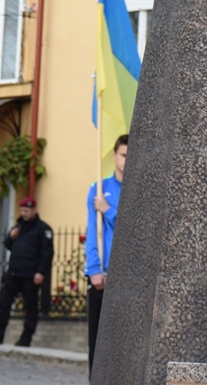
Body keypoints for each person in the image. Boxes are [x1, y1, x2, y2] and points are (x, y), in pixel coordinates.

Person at [0, 197, 54, 347]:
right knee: (3, 304)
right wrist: (11, 237)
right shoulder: (18, 227)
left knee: (30, 307)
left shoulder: (43, 229)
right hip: (14, 272)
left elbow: (46, 253)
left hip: (30, 275)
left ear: (34, 210)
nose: (23, 214)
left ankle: (26, 338)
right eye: (22, 210)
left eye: (26, 211)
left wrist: (40, 272)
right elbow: (9, 245)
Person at [85, 135, 127, 368]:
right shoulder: (99, 189)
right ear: (114, 156)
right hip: (103, 275)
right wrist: (93, 269)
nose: (125, 160)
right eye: (122, 155)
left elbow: (132, 229)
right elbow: (92, 230)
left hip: (128, 276)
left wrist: (109, 210)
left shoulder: (138, 191)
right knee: (97, 342)